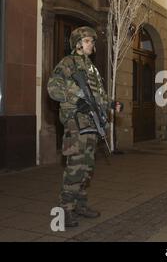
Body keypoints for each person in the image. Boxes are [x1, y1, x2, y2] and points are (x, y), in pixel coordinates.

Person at [47, 26, 122, 227]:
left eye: (92, 41)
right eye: (88, 41)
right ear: (78, 43)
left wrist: (110, 103)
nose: (92, 44)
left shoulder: (92, 68)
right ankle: (65, 210)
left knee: (87, 168)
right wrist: (76, 96)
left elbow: (98, 97)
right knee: (75, 168)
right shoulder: (67, 63)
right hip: (76, 124)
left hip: (91, 124)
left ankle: (80, 204)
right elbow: (53, 88)